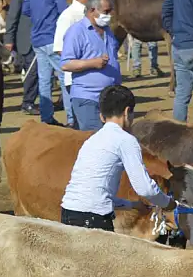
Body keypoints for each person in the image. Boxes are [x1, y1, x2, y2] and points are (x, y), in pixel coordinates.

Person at [59, 85, 174, 231]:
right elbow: (145, 189)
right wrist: (168, 203)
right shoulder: (126, 140)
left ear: (101, 116)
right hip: (94, 218)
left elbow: (97, 193)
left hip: (68, 213)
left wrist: (132, 205)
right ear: (127, 112)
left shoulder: (92, 140)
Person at [60, 0, 122, 131]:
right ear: (92, 10)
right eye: (106, 11)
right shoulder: (76, 31)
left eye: (110, 11)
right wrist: (92, 63)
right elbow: (65, 64)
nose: (109, 15)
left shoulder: (108, 31)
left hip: (110, 98)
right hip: (88, 98)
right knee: (95, 139)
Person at [22, 0, 68, 125]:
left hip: (37, 38)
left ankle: (47, 117)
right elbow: (63, 11)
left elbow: (25, 10)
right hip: (53, 38)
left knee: (44, 80)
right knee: (65, 77)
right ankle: (71, 117)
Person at [52, 0, 99, 128]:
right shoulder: (69, 16)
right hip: (77, 81)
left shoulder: (93, 13)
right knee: (82, 127)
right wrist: (89, 62)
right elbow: (60, 49)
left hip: (95, 80)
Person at [5, 0, 40, 116]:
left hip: (40, 37)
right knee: (32, 71)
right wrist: (9, 39)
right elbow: (12, 17)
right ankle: (28, 103)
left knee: (36, 72)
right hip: (26, 38)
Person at [125, 0, 166, 79]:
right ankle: (136, 68)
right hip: (137, 14)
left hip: (153, 13)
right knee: (136, 41)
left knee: (153, 41)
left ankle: (154, 66)